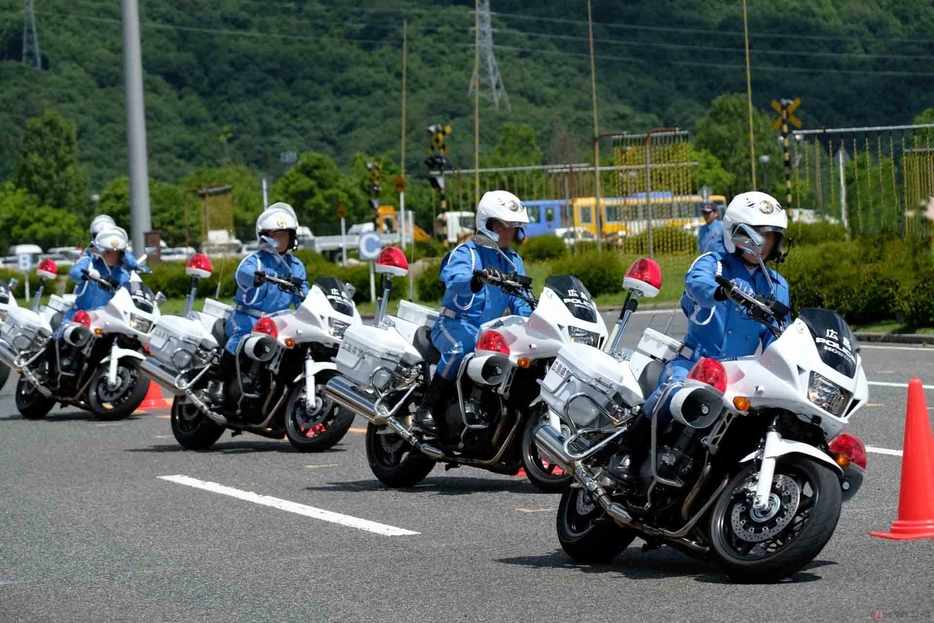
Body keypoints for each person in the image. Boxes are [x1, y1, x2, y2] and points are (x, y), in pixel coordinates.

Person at [608, 191, 791, 484]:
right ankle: (626, 451)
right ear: (739, 232)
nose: (767, 243)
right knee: (671, 390)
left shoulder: (777, 286)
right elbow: (696, 283)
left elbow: (778, 337)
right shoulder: (715, 263)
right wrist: (721, 291)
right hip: (694, 364)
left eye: (772, 236)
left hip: (738, 375)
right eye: (762, 235)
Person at [417, 190, 532, 433]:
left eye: (513, 226)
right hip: (455, 325)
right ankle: (427, 406)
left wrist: (535, 315)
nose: (509, 232)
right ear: (488, 224)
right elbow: (453, 278)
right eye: (504, 226)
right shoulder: (466, 253)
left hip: (489, 332)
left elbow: (520, 300)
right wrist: (475, 279)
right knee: (461, 347)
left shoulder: (513, 260)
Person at [207, 202, 309, 404]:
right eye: (275, 235)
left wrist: (309, 304)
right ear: (266, 236)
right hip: (246, 316)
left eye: (284, 235)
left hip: (277, 322)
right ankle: (219, 380)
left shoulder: (296, 266)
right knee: (241, 335)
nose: (280, 239)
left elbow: (303, 294)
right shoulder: (255, 260)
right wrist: (256, 277)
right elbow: (242, 275)